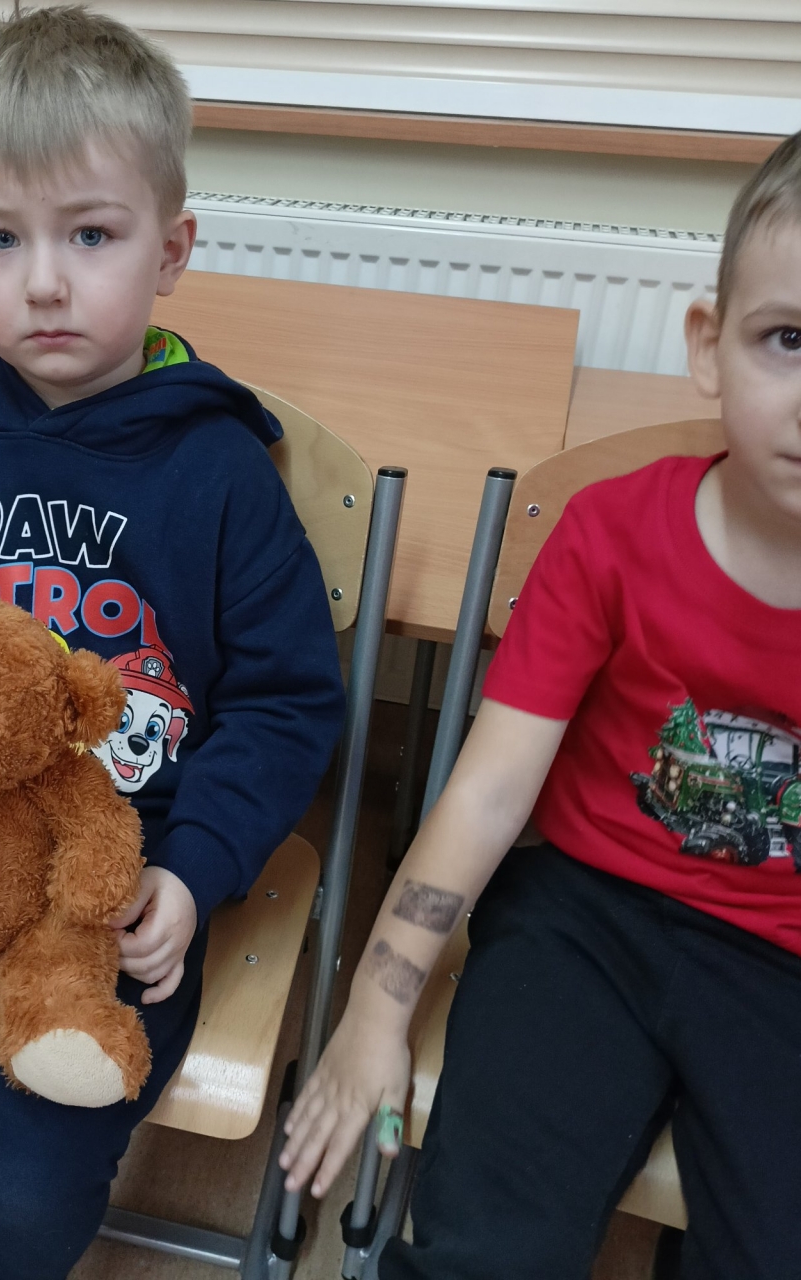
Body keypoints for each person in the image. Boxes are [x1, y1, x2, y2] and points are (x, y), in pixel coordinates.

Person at [0, 8, 346, 1280]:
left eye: (89, 235)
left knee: (30, 1171)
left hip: (114, 882)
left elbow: (284, 706)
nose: (43, 281)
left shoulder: (219, 472)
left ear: (170, 249)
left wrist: (192, 872)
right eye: (1, 238)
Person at [279, 130, 801, 1280]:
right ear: (709, 347)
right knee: (486, 1249)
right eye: (789, 339)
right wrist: (375, 1003)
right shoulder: (610, 534)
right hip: (581, 920)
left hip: (780, 961)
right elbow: (487, 790)